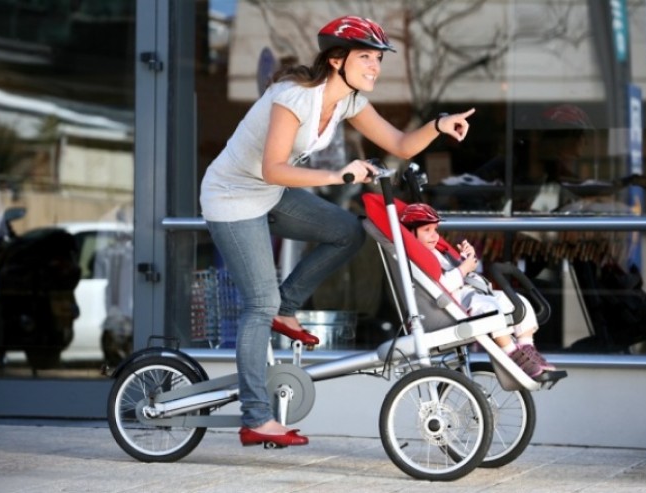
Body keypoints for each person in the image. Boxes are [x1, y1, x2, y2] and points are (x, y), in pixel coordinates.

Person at [199, 15, 475, 448]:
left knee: (348, 232)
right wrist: (341, 176)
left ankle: (285, 306)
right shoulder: (294, 97)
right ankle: (256, 417)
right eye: (366, 57)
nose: (374, 67)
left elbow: (400, 144)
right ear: (336, 58)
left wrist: (438, 125)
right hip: (232, 198)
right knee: (258, 303)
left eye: (378, 59)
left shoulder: (347, 102)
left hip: (270, 193)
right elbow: (274, 167)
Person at [398, 202, 556, 378]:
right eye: (426, 230)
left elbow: (457, 274)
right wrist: (463, 269)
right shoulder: (414, 260)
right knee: (491, 310)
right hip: (449, 307)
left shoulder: (434, 252)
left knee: (518, 301)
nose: (434, 236)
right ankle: (513, 354)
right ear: (410, 232)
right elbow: (440, 287)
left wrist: (465, 260)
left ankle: (527, 348)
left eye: (435, 230)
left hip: (467, 295)